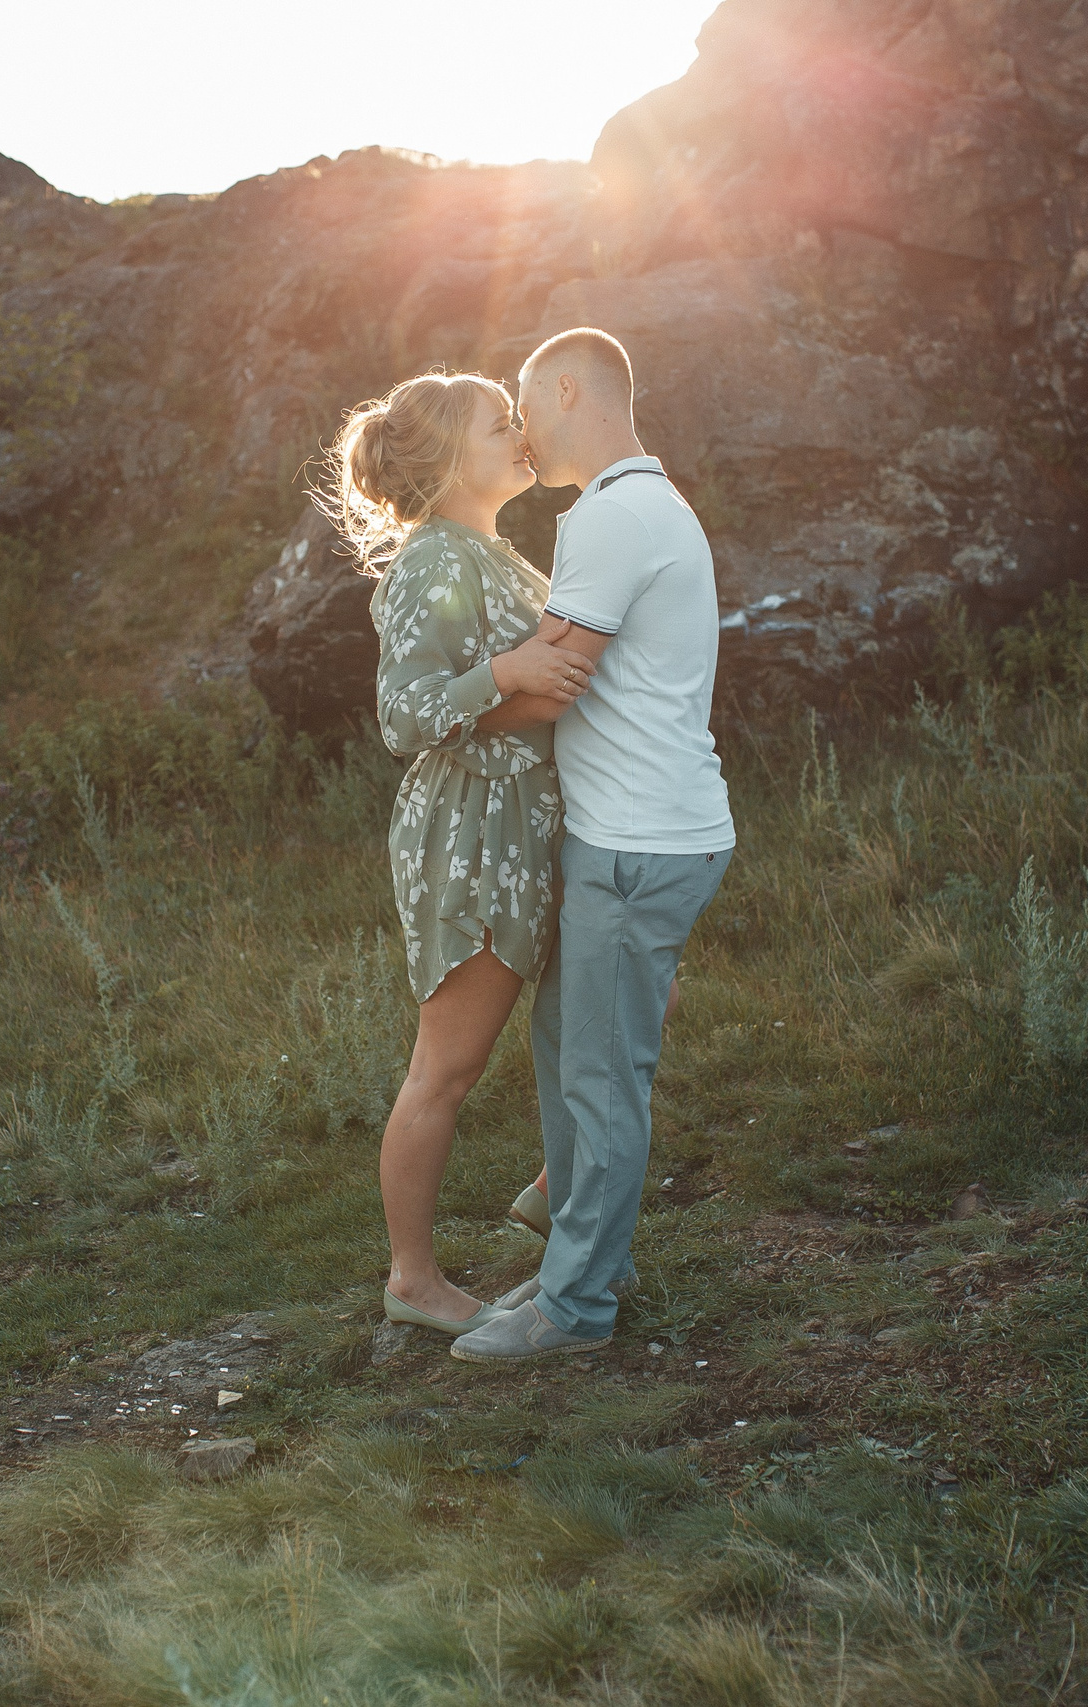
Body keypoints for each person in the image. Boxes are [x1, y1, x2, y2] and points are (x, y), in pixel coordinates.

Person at [451, 327, 733, 1365]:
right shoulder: (637, 507)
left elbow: (550, 680)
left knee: (602, 1080)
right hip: (628, 837)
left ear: (568, 387)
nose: (522, 424)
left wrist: (439, 721)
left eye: (529, 400)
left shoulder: (612, 515)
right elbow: (549, 671)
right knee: (571, 1055)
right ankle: (585, 1261)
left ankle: (575, 1313)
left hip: (638, 847)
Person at [335, 371, 594, 1335]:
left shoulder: (494, 552)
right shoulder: (433, 559)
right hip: (475, 836)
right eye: (501, 424)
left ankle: (557, 1193)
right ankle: (412, 1278)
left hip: (538, 818)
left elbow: (546, 691)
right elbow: (405, 713)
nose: (522, 433)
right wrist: (510, 671)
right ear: (449, 460)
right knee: (447, 1067)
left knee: (630, 993)